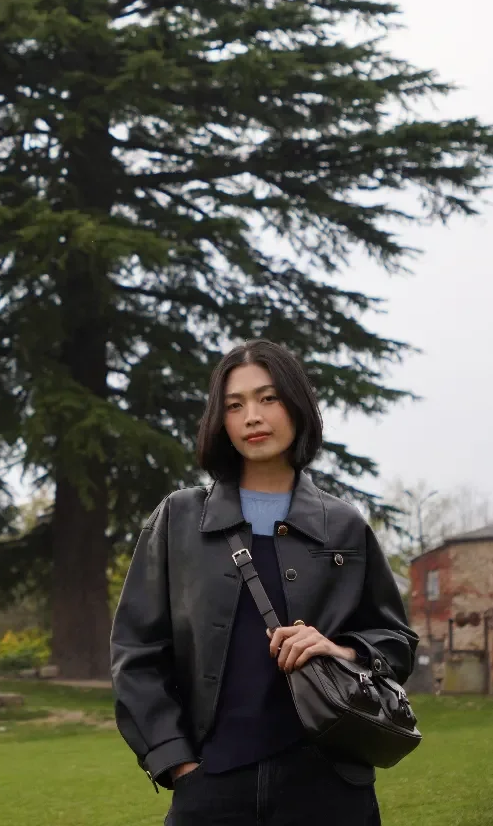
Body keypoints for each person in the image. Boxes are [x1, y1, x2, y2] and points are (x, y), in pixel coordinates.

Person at [110, 339, 417, 826]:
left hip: (331, 787)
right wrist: (177, 762)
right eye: (235, 405)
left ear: (296, 406)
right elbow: (137, 651)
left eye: (268, 398)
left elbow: (397, 641)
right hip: (210, 786)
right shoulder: (178, 518)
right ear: (221, 421)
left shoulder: (344, 525)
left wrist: (340, 650)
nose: (252, 416)